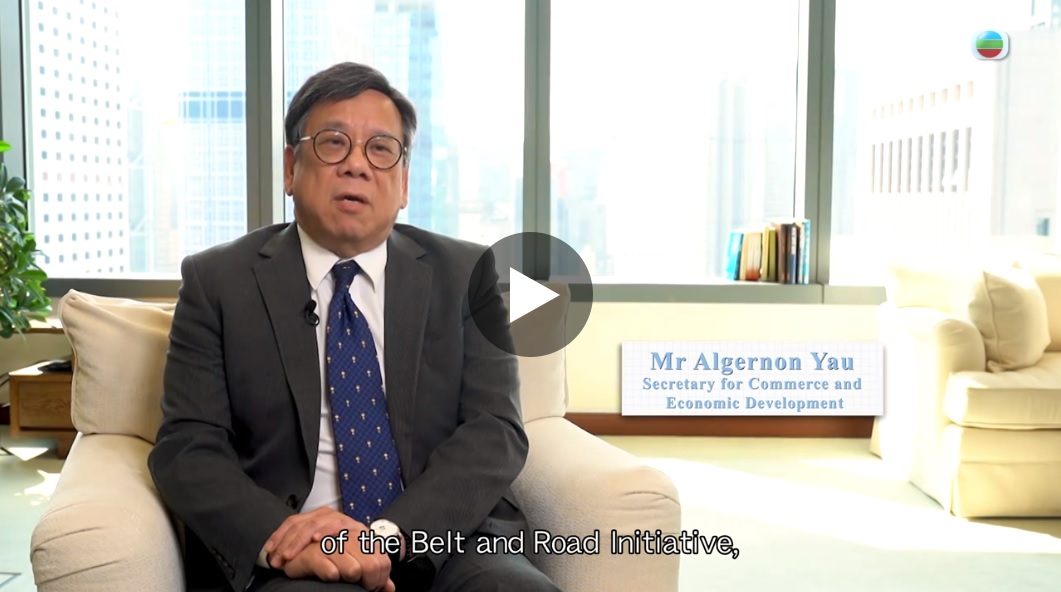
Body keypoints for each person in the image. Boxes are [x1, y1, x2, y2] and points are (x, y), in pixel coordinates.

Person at [148, 62, 561, 592]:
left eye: (381, 149)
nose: (357, 166)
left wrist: (387, 536)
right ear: (291, 168)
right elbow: (187, 447)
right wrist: (284, 539)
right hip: (301, 551)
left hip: (444, 543)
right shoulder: (218, 282)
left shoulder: (467, 275)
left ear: (403, 182)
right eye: (333, 144)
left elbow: (495, 430)